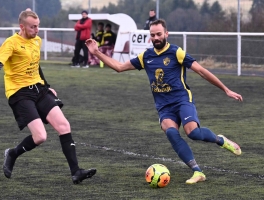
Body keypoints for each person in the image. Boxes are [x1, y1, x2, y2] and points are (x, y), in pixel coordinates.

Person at [86, 19, 242, 184]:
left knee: (193, 133)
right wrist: (96, 52)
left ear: (166, 34)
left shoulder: (176, 52)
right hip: (164, 107)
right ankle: (197, 171)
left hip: (182, 100)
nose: (156, 37)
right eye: (152, 35)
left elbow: (202, 71)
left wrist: (226, 90)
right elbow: (119, 67)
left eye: (159, 34)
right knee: (172, 133)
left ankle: (220, 140)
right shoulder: (146, 56)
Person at [0, 9, 96, 184]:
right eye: (33, 27)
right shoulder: (11, 43)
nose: (36, 30)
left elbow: (36, 66)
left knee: (64, 125)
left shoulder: (37, 41)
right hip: (19, 93)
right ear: (22, 26)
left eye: (38, 26)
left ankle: (76, 172)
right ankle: (12, 153)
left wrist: (47, 87)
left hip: (39, 89)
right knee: (40, 137)